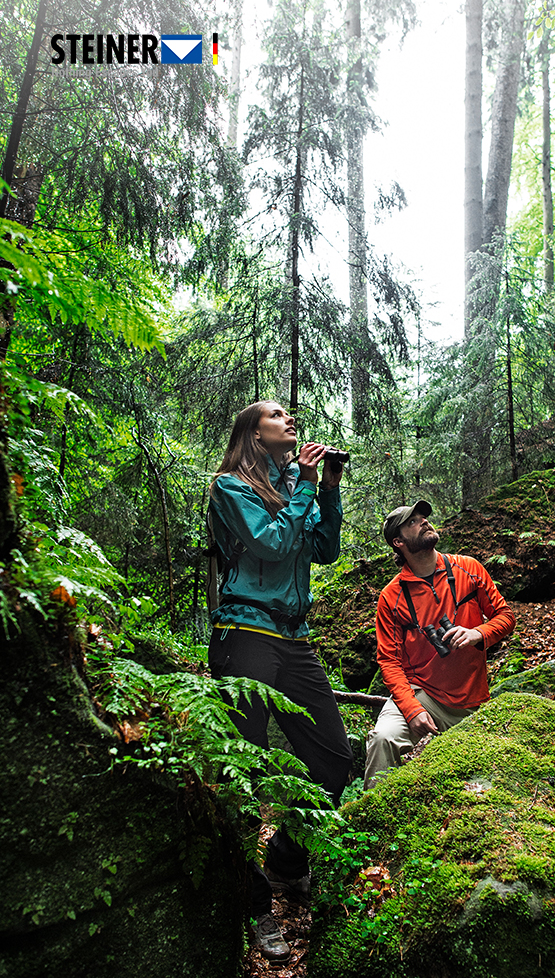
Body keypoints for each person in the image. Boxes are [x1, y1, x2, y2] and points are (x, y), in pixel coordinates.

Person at [208, 400, 353, 962]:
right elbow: (269, 542)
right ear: (252, 431)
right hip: (245, 633)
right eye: (277, 415)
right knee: (243, 772)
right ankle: (253, 902)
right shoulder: (229, 485)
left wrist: (328, 489)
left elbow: (322, 548)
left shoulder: (297, 481)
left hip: (295, 639)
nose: (290, 419)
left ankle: (287, 862)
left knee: (333, 758)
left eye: (291, 416)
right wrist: (303, 489)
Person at [364, 500, 516, 789]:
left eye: (423, 516)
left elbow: (506, 617)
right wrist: (411, 709)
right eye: (413, 521)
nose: (423, 521)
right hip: (423, 694)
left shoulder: (467, 568)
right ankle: (368, 828)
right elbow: (389, 662)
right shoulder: (391, 597)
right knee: (384, 738)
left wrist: (478, 634)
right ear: (398, 542)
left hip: (472, 701)